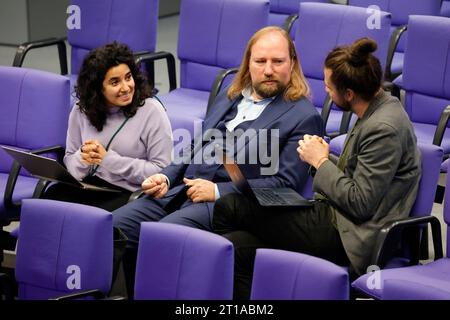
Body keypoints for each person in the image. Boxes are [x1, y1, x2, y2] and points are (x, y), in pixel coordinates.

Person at [112, 26, 324, 297]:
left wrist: (216, 191)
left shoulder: (303, 116)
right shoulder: (231, 94)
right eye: (260, 61)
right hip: (181, 190)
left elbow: (283, 188)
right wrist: (166, 176)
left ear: (292, 63)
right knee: (114, 227)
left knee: (161, 238)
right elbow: (196, 144)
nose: (268, 70)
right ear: (248, 63)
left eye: (278, 61)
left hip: (228, 205)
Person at [212, 37, 422, 299]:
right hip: (332, 216)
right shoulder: (374, 108)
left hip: (349, 234)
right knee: (237, 246)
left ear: (348, 94)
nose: (326, 93)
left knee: (229, 207)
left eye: (329, 87)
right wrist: (317, 161)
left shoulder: (384, 128)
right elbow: (358, 173)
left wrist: (320, 162)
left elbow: (361, 203)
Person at [43, 42, 173, 211]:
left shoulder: (151, 111)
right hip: (91, 185)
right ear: (98, 88)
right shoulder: (80, 109)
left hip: (130, 192)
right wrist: (83, 157)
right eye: (115, 82)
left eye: (128, 77)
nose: (126, 88)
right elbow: (70, 162)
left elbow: (162, 171)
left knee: (89, 219)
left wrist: (108, 160)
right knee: (49, 199)